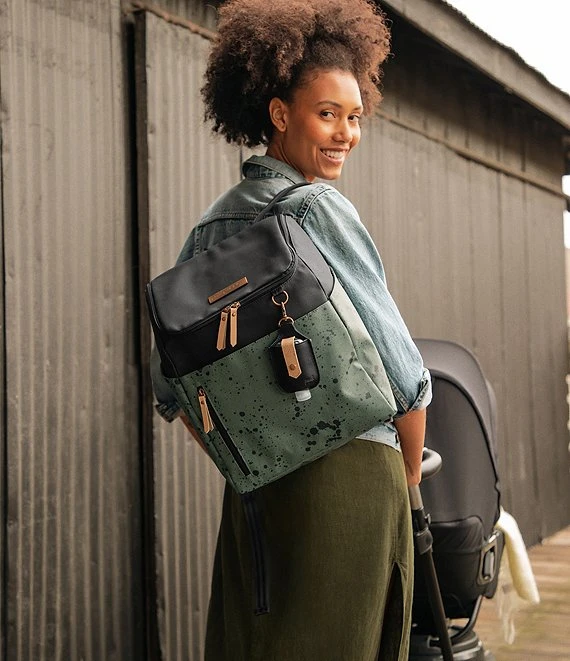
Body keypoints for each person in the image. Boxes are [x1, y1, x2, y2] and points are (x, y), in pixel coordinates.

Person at [151, 1, 432, 659]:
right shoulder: (318, 207)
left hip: (255, 496)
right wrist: (406, 483)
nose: (345, 134)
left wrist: (254, 452)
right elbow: (404, 376)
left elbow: (172, 385)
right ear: (280, 114)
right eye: (327, 114)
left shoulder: (211, 227)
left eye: (354, 117)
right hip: (352, 479)